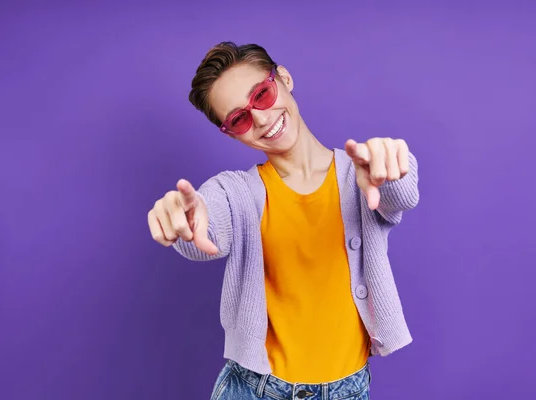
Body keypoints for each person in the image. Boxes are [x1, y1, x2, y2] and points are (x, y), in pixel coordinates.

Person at [147, 42, 420, 400]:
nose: (260, 118)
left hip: (346, 391)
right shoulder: (238, 192)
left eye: (261, 94)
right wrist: (185, 219)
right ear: (231, 133)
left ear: (285, 79)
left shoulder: (363, 172)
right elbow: (207, 224)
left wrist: (392, 168)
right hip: (252, 390)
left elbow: (402, 194)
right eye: (239, 118)